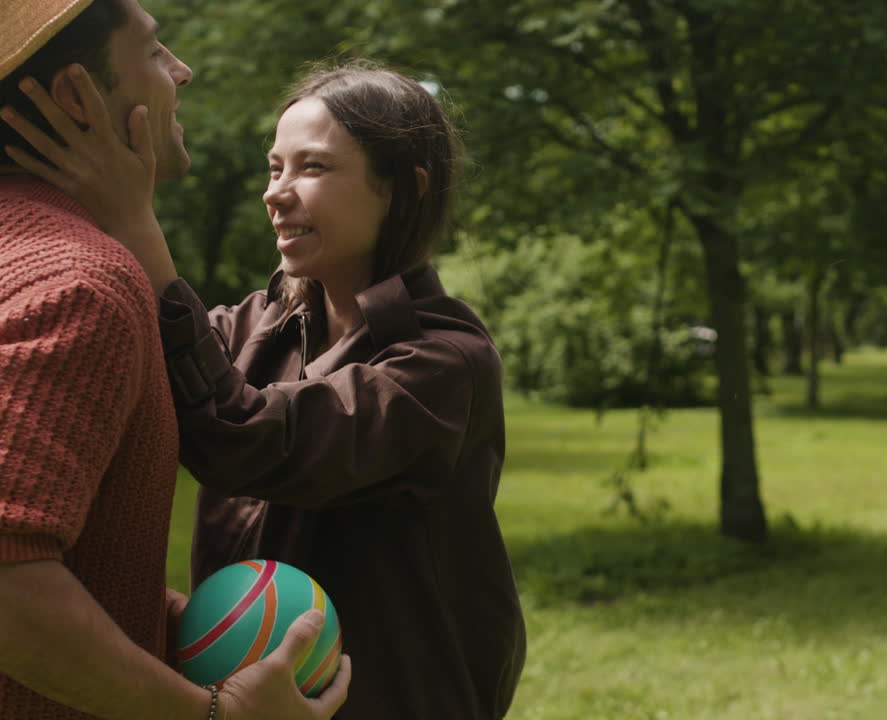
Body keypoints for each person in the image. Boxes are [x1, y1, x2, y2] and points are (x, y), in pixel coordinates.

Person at [5, 56, 527, 719]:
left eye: (313, 167)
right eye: (274, 167)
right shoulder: (249, 328)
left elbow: (246, 439)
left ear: (404, 188)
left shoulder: (446, 363)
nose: (276, 192)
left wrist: (135, 223)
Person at [0, 1, 351, 719]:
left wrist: (138, 610)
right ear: (76, 98)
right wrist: (211, 716)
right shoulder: (81, 285)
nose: (182, 71)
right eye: (155, 50)